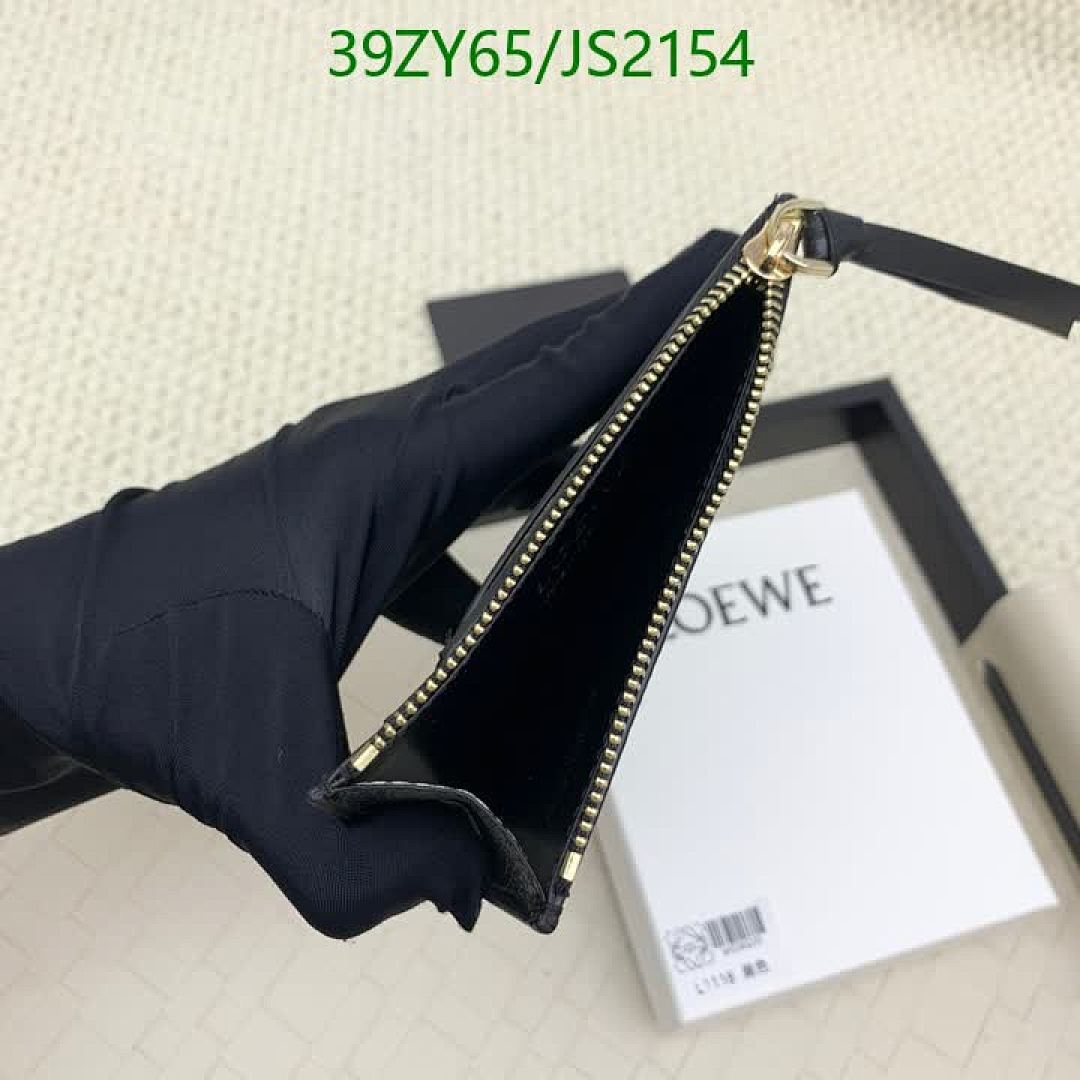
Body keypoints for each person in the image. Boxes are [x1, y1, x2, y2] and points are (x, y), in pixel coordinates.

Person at [0, 229, 736, 939]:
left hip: (66, 664)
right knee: (539, 387)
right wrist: (491, 841)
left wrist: (484, 639)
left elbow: (341, 878)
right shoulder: (237, 654)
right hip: (100, 655)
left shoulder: (298, 565)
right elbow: (338, 884)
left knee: (532, 391)